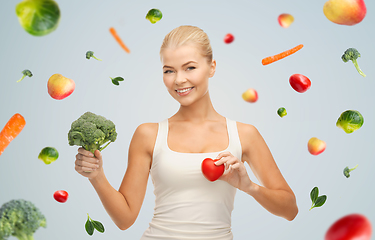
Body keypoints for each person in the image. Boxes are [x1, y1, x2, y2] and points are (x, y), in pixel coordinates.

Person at [75, 25, 298, 240]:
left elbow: (290, 210)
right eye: (169, 71)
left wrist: (250, 187)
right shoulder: (148, 134)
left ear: (212, 67)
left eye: (190, 67)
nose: (179, 79)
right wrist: (97, 176)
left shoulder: (245, 135)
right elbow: (125, 219)